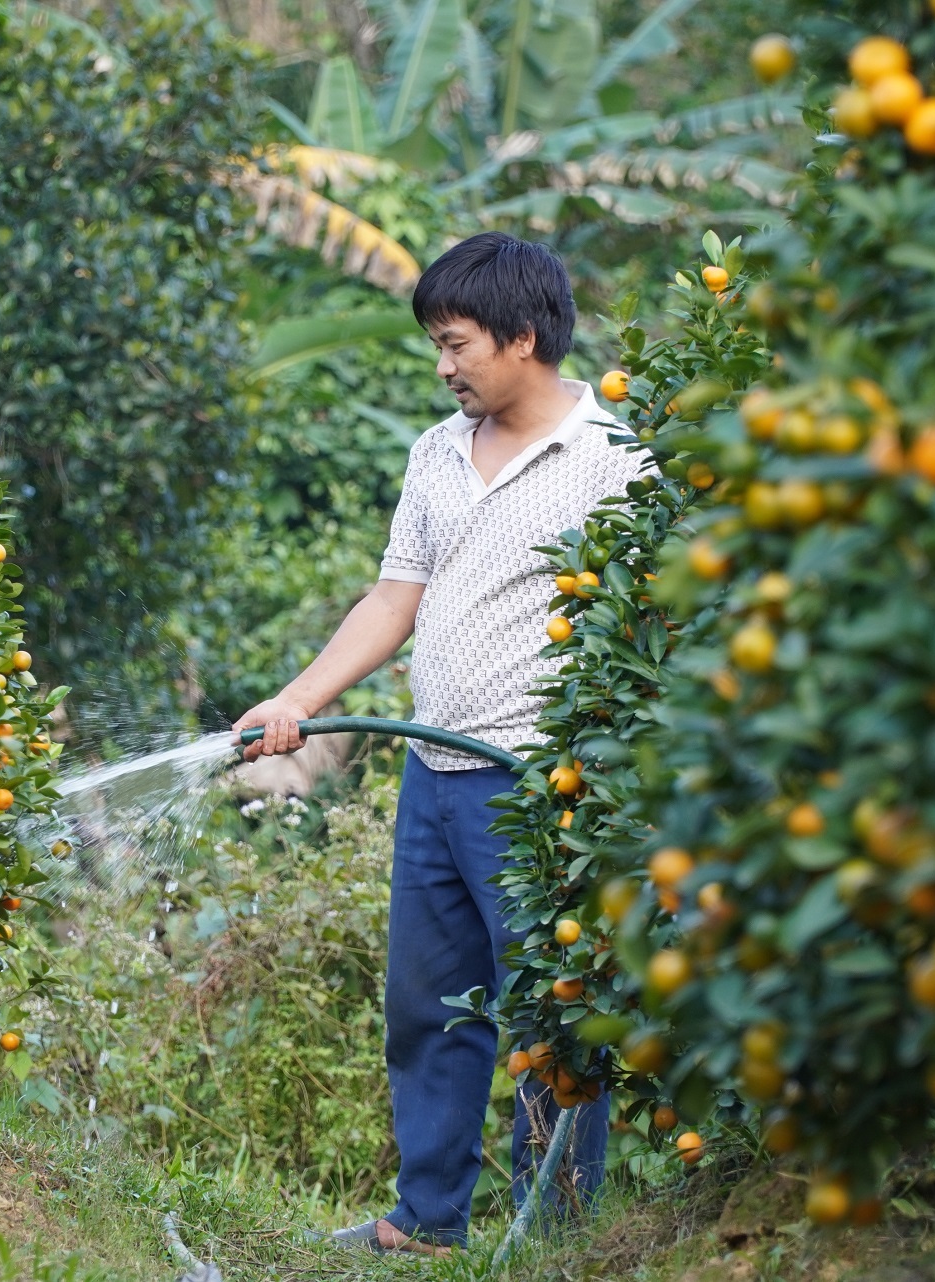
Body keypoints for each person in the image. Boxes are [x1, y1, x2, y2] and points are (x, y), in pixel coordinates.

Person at [234, 231, 646, 1254]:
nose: (443, 364)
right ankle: (426, 1220)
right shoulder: (433, 453)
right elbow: (393, 600)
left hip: (539, 792)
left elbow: (648, 630)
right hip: (435, 775)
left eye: (456, 342)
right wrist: (295, 697)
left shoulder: (611, 462)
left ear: (521, 336)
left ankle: (555, 1238)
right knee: (428, 1007)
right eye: (435, 343)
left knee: (550, 1022)